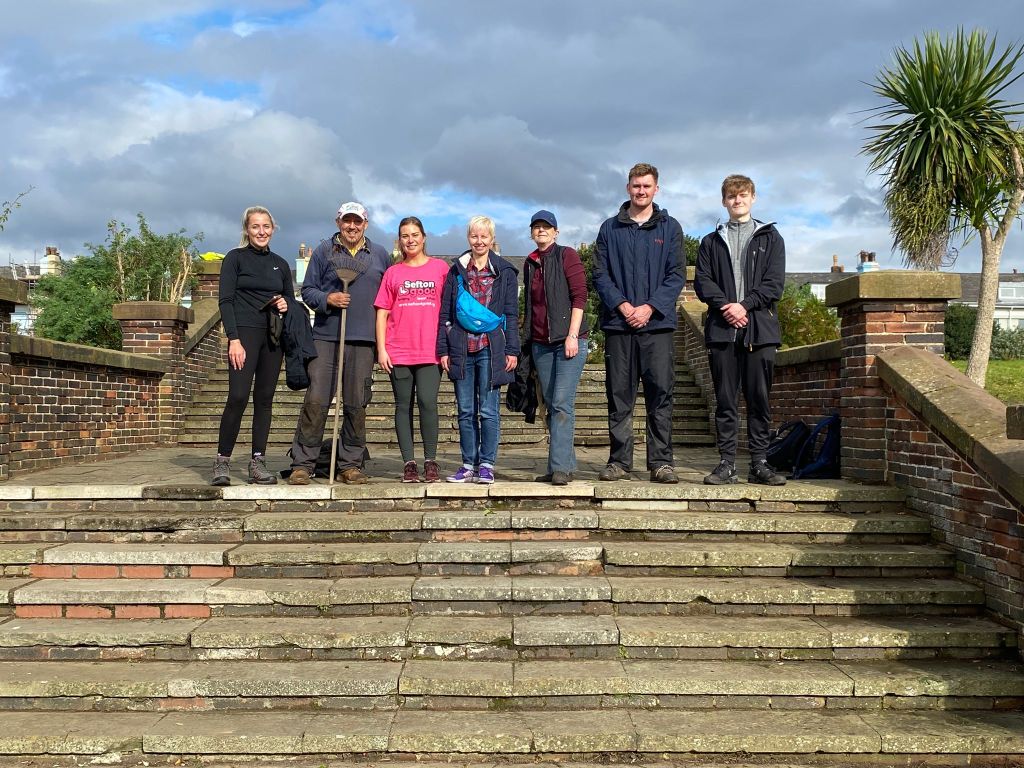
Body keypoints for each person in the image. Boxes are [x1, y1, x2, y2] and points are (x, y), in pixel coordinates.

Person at [592, 162, 685, 484]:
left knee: (661, 395)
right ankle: (619, 461)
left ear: (656, 188)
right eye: (636, 186)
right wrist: (623, 305)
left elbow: (676, 275)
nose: (641, 191)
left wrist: (649, 307)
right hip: (619, 325)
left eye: (646, 186)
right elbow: (600, 275)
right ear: (628, 188)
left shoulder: (669, 228)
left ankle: (661, 462)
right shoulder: (609, 228)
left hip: (657, 325)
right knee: (620, 396)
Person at [286, 202, 391, 485]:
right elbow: (307, 290)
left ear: (365, 224)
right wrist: (328, 299)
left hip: (364, 339)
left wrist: (385, 341)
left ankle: (350, 463)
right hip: (326, 337)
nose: (352, 226)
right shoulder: (323, 251)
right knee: (316, 400)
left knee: (357, 403)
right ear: (338, 223)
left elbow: (389, 298)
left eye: (357, 221)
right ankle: (303, 463)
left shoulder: (379, 254)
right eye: (347, 221)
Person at [694, 174, 786, 486]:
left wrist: (744, 305)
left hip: (760, 331)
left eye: (743, 195)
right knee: (725, 400)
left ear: (753, 197)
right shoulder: (710, 241)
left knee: (759, 399)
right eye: (732, 196)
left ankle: (759, 462)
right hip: (722, 331)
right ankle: (727, 463)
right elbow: (703, 282)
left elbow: (774, 285)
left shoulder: (771, 238)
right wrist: (727, 307)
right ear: (724, 201)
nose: (737, 200)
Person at [436, 216, 520, 484]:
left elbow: (511, 314)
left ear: (492, 239)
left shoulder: (505, 271)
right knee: (465, 410)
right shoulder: (456, 271)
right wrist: (443, 349)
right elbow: (444, 313)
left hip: (490, 346)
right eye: (474, 236)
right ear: (468, 238)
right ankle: (467, 464)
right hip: (461, 345)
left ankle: (486, 464)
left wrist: (513, 350)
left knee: (488, 409)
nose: (479, 241)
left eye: (484, 236)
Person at [212, 206, 291, 486]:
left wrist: (284, 304)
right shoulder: (235, 258)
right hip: (243, 336)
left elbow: (290, 303)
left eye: (266, 226)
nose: (261, 232)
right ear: (247, 229)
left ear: (273, 229)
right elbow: (225, 300)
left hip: (272, 339)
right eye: (255, 226)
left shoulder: (280, 264)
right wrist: (233, 338)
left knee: (265, 400)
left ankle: (258, 461)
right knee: (238, 396)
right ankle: (222, 461)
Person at [374, 217, 449, 483]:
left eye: (415, 234)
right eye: (405, 236)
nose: (410, 240)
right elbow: (382, 313)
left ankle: (430, 461)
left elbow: (449, 310)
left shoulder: (440, 269)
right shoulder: (393, 273)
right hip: (399, 351)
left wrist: (446, 348)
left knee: (428, 403)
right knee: (402, 406)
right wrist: (381, 349)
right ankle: (409, 463)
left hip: (430, 351)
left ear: (424, 237)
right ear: (400, 240)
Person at [522, 210, 589, 486]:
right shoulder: (530, 262)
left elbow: (580, 296)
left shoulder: (567, 255)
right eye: (536, 227)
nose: (541, 231)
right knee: (550, 405)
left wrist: (572, 335)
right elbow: (530, 305)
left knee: (562, 403)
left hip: (569, 341)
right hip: (541, 344)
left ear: (556, 232)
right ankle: (561, 464)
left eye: (546, 227)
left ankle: (560, 468)